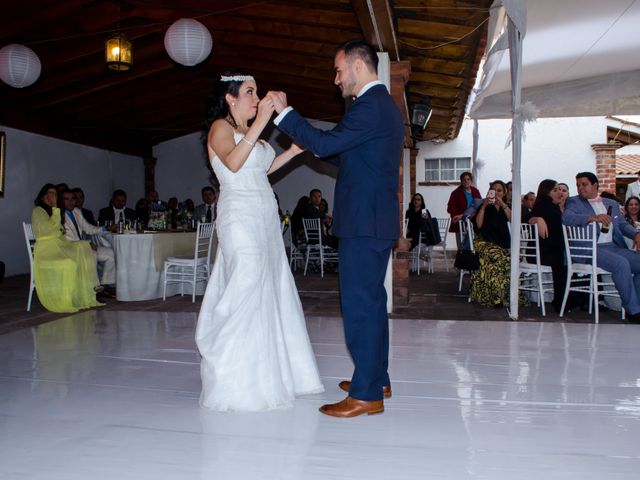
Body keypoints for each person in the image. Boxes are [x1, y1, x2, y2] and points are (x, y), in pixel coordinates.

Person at [270, 39, 404, 417]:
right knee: (372, 304)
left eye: (339, 70)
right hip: (373, 220)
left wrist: (286, 114)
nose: (335, 79)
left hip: (364, 223)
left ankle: (365, 395)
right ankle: (377, 378)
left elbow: (329, 146)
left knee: (361, 306)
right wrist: (314, 146)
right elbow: (347, 157)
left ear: (358, 67)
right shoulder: (381, 107)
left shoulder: (370, 107)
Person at [196, 73, 324, 412]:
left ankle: (265, 374)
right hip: (238, 216)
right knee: (245, 284)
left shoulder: (252, 135)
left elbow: (260, 170)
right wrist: (264, 121)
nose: (256, 99)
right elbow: (235, 164)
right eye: (250, 92)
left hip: (264, 216)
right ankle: (233, 376)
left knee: (270, 287)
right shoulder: (220, 128)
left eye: (256, 93)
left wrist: (294, 151)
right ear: (230, 97)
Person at [562, 172, 640, 324]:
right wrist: (591, 218)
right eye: (578, 185)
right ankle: (634, 312)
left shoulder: (611, 203)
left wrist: (636, 234)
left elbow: (623, 225)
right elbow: (566, 218)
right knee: (621, 263)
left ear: (595, 185)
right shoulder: (573, 202)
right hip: (589, 249)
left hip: (612, 247)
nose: (580, 188)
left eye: (584, 184)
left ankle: (636, 304)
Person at [30, 184, 104, 313]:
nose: (53, 196)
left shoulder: (53, 210)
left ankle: (91, 289)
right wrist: (55, 209)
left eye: (55, 194)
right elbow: (47, 230)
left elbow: (59, 230)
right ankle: (66, 298)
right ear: (43, 196)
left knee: (84, 246)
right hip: (47, 249)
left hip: (60, 245)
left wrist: (55, 211)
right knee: (70, 263)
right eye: (50, 193)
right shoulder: (38, 211)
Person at [528, 180, 574, 312]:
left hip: (542, 252)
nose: (559, 192)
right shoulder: (546, 207)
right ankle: (562, 302)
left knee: (565, 258)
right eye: (555, 190)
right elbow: (558, 236)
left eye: (560, 190)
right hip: (543, 254)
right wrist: (537, 219)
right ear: (546, 193)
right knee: (566, 261)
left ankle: (563, 301)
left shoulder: (549, 206)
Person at [60, 189, 117, 294]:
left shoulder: (76, 211)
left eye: (73, 199)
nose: (71, 202)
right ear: (61, 200)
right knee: (92, 253)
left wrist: (106, 228)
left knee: (110, 253)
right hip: (70, 249)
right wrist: (87, 244)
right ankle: (93, 289)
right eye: (66, 199)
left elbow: (89, 228)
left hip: (83, 247)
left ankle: (105, 285)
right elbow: (65, 239)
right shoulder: (58, 215)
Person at [470, 180, 514, 307]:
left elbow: (514, 221)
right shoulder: (484, 206)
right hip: (485, 241)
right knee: (496, 256)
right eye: (493, 190)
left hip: (504, 243)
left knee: (506, 257)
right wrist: (483, 206)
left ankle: (503, 295)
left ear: (504, 192)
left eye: (499, 190)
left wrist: (502, 204)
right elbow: (478, 225)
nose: (496, 193)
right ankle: (495, 297)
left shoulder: (508, 207)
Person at [447, 171, 482, 249]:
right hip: (461, 221)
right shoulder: (456, 193)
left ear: (471, 181)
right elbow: (450, 207)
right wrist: (456, 216)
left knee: (475, 244)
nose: (466, 181)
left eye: (468, 179)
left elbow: (480, 204)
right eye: (464, 180)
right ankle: (461, 258)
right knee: (462, 246)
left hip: (474, 219)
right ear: (461, 181)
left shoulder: (475, 191)